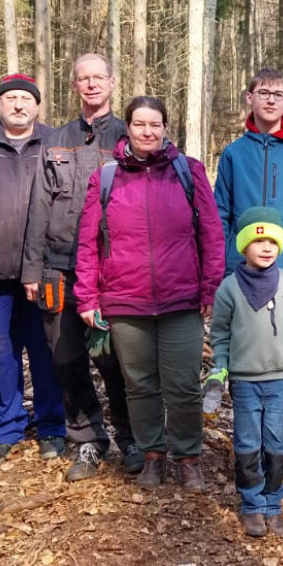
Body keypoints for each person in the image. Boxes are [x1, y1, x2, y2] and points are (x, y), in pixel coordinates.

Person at [74, 96, 225, 491]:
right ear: (128, 128)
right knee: (139, 385)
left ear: (165, 128)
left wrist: (210, 286)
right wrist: (87, 296)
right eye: (139, 124)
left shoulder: (188, 172)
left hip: (181, 299)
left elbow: (211, 233)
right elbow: (88, 242)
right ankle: (153, 456)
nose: (147, 131)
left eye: (155, 124)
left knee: (184, 384)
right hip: (125, 300)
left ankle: (188, 458)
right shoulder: (106, 177)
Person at [21, 54, 142, 479]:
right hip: (60, 269)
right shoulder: (56, 141)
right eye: (82, 79)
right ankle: (88, 440)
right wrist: (32, 270)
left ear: (112, 82)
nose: (91, 85)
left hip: (114, 271)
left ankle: (132, 439)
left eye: (98, 78)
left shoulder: (131, 138)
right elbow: (39, 206)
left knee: (117, 361)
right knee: (67, 359)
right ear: (74, 86)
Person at [215, 68, 283, 455]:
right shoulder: (234, 154)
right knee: (247, 355)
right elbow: (221, 215)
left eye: (278, 94)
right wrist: (228, 268)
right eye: (263, 92)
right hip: (241, 278)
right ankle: (250, 441)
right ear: (250, 98)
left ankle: (281, 445)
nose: (271, 100)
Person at [0, 74, 65, 463]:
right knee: (0, 352)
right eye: (11, 99)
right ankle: (7, 426)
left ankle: (52, 425)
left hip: (43, 270)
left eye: (25, 98)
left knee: (45, 351)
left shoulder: (55, 142)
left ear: (37, 105)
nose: (18, 105)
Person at [206, 206, 283, 537]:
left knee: (277, 441)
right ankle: (252, 504)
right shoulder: (229, 289)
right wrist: (219, 369)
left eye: (272, 243)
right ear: (243, 245)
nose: (265, 249)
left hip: (281, 380)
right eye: (257, 241)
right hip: (245, 381)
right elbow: (220, 334)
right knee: (248, 442)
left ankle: (273, 502)